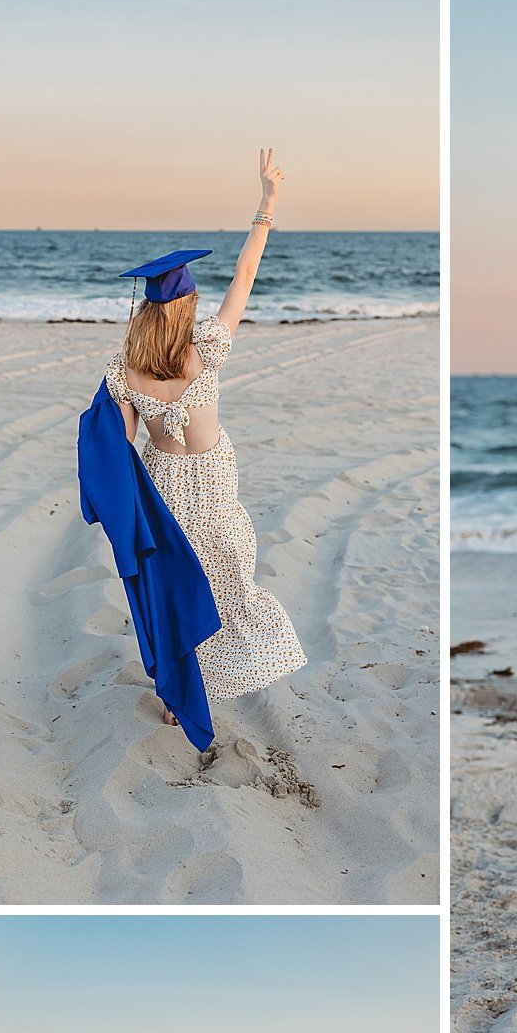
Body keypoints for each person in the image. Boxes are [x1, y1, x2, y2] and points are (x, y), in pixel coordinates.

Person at [105, 148, 307, 731]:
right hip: (212, 479)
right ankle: (220, 676)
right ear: (189, 304)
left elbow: (120, 450)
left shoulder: (125, 369)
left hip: (163, 482)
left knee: (178, 588)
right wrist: (266, 206)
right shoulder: (208, 347)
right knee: (231, 575)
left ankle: (179, 694)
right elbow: (245, 276)